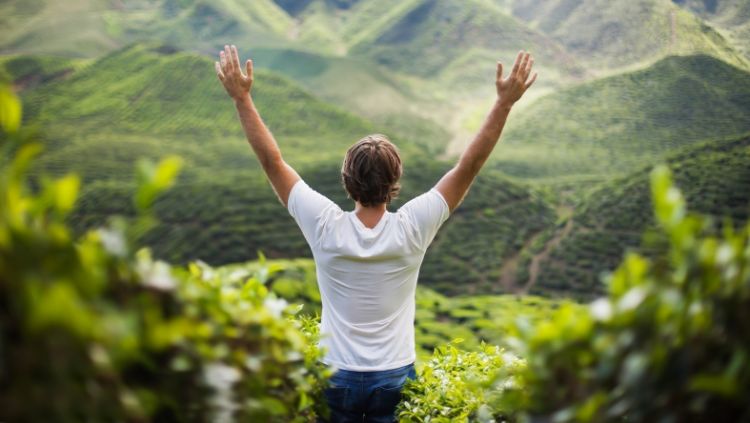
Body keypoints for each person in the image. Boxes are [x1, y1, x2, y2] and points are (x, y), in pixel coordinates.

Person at [215, 45, 537, 422]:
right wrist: (503, 103)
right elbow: (469, 165)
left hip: (334, 373)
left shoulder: (324, 224)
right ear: (395, 180)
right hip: (395, 374)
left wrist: (241, 98)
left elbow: (272, 161)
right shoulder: (413, 226)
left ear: (346, 180)